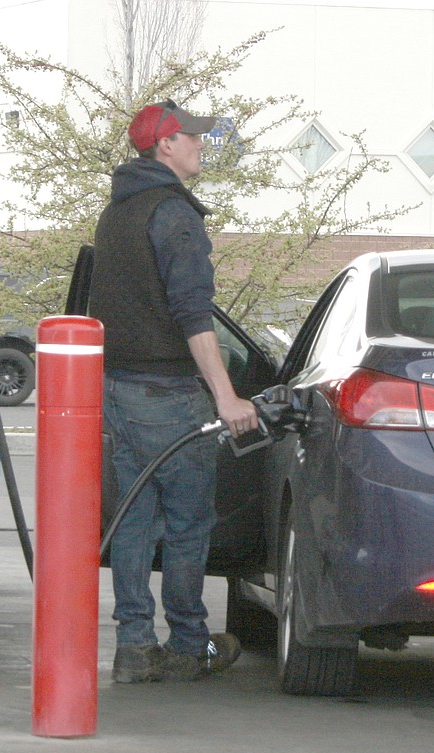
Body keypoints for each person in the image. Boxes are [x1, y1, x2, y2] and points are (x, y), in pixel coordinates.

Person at [88, 100, 259, 683]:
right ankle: (190, 643)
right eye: (193, 137)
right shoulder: (175, 215)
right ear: (166, 145)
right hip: (167, 392)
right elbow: (194, 316)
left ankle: (133, 647)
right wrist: (228, 396)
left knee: (134, 519)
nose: (201, 145)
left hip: (116, 389)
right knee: (188, 522)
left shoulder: (117, 213)